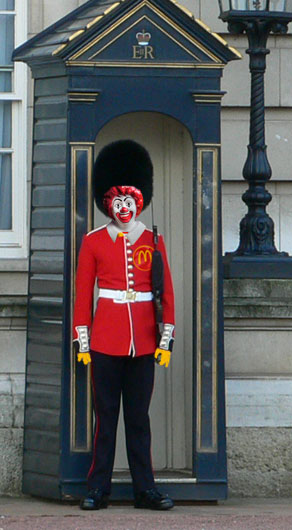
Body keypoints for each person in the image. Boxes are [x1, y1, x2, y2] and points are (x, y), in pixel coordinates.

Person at [73, 140, 175, 511]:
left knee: (138, 419)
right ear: (108, 205)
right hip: (105, 341)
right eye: (118, 202)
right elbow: (83, 296)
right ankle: (98, 488)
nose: (124, 208)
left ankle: (144, 489)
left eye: (130, 201)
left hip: (145, 341)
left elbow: (167, 294)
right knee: (106, 420)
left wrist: (165, 339)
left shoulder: (153, 241)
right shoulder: (94, 242)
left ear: (140, 201)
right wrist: (83, 341)